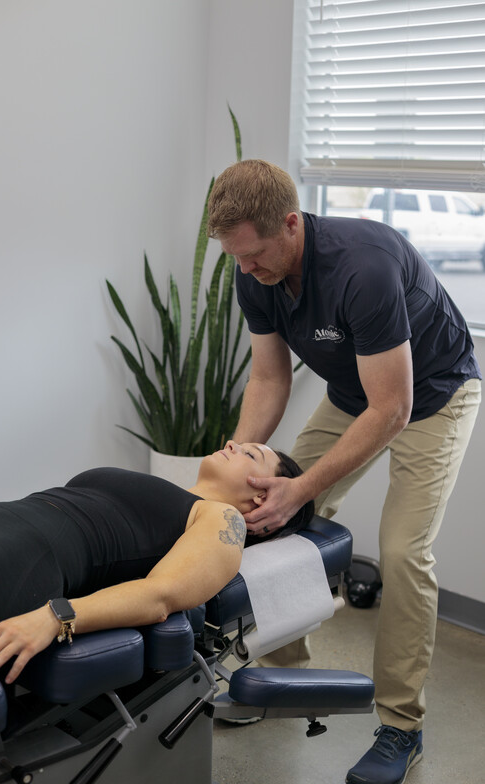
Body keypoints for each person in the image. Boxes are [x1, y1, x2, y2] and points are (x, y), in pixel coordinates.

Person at [207, 159, 482, 784]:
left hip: (434, 396)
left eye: (254, 255)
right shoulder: (255, 269)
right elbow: (270, 376)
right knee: (274, 520)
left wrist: (301, 484)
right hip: (354, 393)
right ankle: (284, 680)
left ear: (290, 222)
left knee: (403, 550)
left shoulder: (364, 265)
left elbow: (395, 407)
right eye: (236, 259)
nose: (246, 270)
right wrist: (236, 470)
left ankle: (401, 727)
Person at [0, 441, 313, 686]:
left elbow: (159, 596)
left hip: (18, 561)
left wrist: (56, 616)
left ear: (262, 498)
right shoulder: (176, 493)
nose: (234, 443)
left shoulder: (222, 519)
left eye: (250, 453)